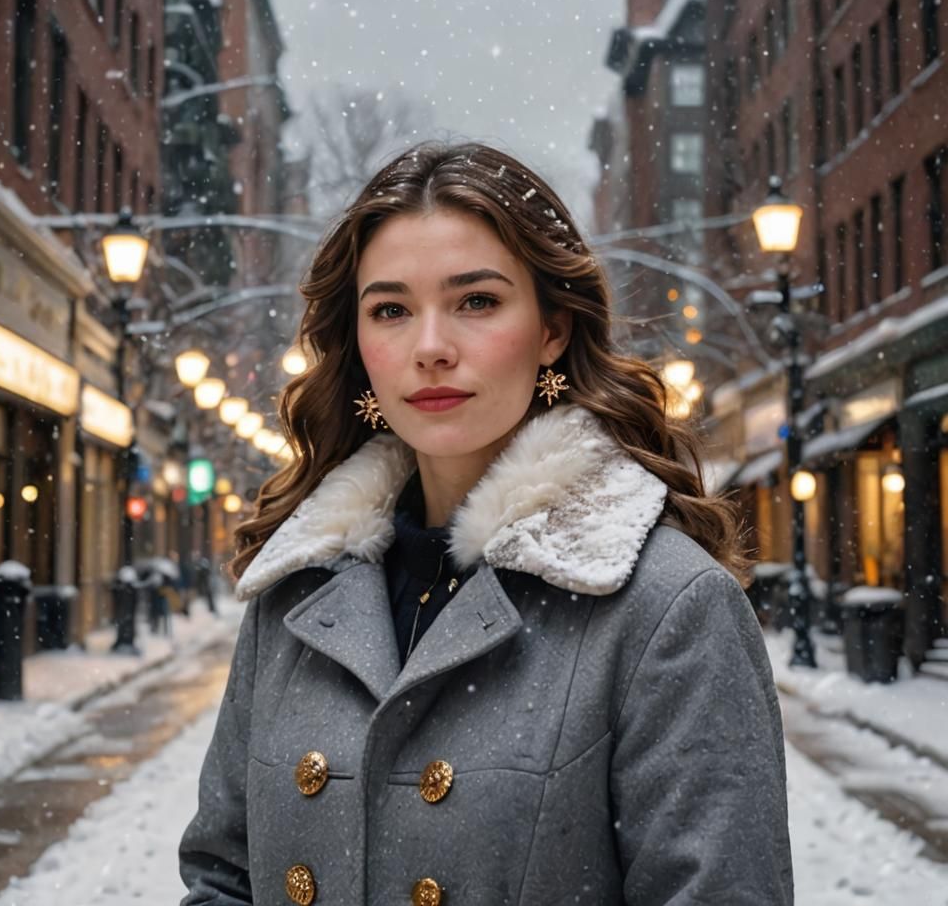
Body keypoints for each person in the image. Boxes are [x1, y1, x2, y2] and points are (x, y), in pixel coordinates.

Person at [179, 142, 793, 905]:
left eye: (476, 301)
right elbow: (222, 875)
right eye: (392, 310)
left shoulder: (666, 608)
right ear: (360, 345)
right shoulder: (297, 592)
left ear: (553, 330)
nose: (431, 349)